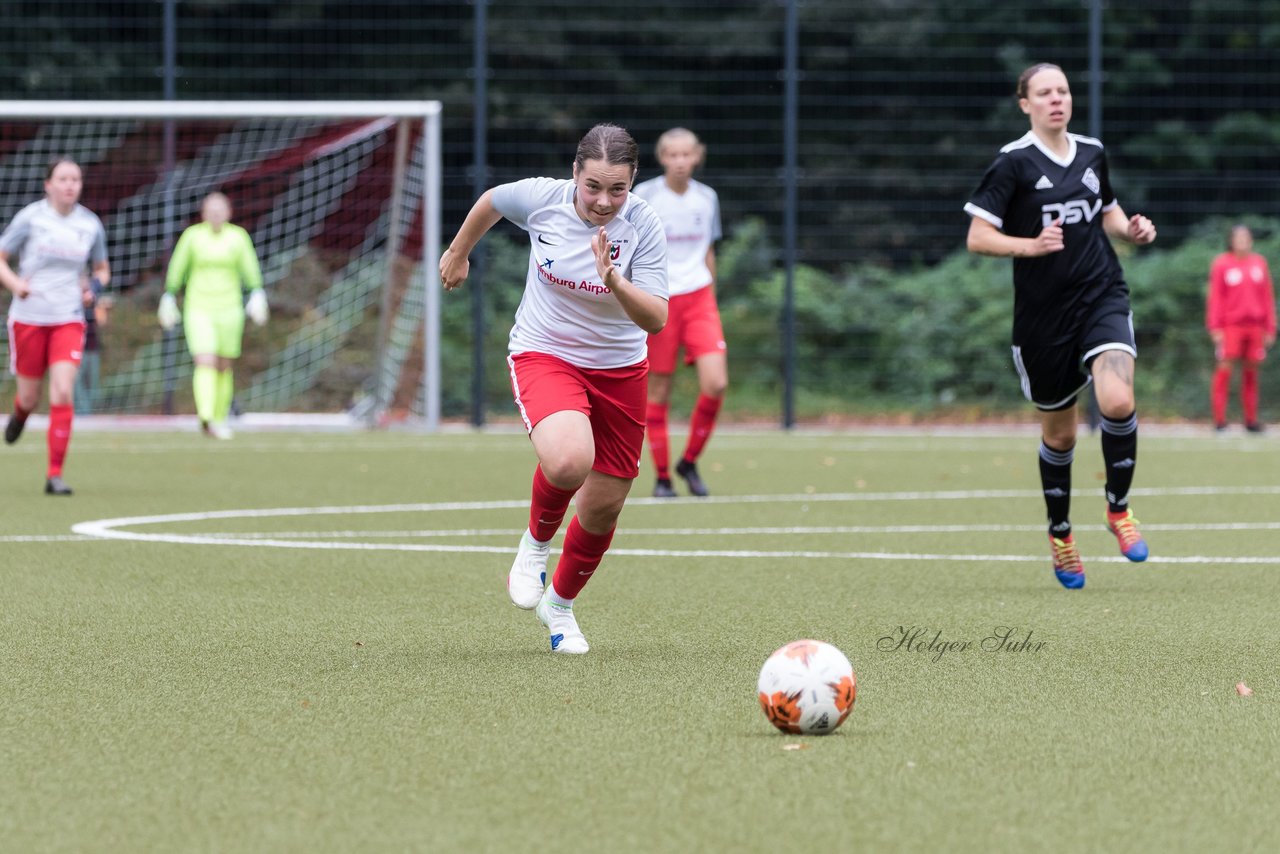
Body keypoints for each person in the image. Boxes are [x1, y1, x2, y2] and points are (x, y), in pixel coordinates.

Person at [439, 124, 668, 654]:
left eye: (618, 189)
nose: (604, 201)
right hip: (546, 353)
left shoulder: (645, 226)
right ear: (574, 174)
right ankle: (534, 547)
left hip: (620, 369)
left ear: (634, 182)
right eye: (593, 186)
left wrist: (616, 282)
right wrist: (458, 252)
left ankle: (560, 608)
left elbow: (655, 319)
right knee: (569, 461)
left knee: (604, 506)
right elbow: (491, 201)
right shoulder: (542, 199)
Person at [964, 63, 1157, 590]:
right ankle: (1062, 536)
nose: (1057, 99)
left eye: (1064, 91)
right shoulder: (1013, 164)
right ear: (1024, 103)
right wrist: (1030, 245)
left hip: (1101, 294)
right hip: (1042, 317)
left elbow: (1108, 212)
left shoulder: (1092, 152)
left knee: (1117, 399)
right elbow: (978, 237)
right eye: (1044, 92)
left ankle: (1118, 509)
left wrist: (1132, 230)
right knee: (1062, 433)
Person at [0, 157, 110, 495]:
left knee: (62, 390)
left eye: (75, 179)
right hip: (29, 318)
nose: (69, 185)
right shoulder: (31, 218)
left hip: (68, 318)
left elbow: (102, 269)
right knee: (30, 396)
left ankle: (54, 474)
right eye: (62, 179)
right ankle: (19, 414)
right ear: (48, 185)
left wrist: (94, 289)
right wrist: (16, 284)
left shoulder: (90, 225)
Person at [632, 128, 726, 498]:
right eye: (673, 154)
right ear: (662, 157)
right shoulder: (645, 197)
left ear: (698, 156)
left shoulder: (707, 198)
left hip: (700, 299)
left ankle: (689, 461)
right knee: (659, 389)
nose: (680, 161)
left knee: (716, 383)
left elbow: (708, 252)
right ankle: (663, 478)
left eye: (687, 154)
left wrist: (712, 300)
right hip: (661, 300)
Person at [159, 192, 267, 439]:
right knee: (204, 359)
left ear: (229, 212)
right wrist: (169, 294)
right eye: (212, 209)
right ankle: (205, 416)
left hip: (230, 309)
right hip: (199, 307)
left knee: (223, 363)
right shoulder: (193, 236)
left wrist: (257, 292)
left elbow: (249, 267)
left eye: (221, 209)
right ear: (204, 212)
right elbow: (178, 266)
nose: (216, 213)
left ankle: (219, 418)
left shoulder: (237, 237)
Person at [1207, 224, 1275, 432]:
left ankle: (1251, 420)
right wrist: (1215, 327)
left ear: (1251, 240)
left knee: (1251, 373)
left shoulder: (1259, 264)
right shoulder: (1222, 264)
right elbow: (1215, 298)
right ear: (1231, 241)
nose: (1243, 241)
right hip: (1230, 327)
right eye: (1239, 238)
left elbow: (1267, 297)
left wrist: (1270, 327)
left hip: (1255, 327)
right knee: (1225, 370)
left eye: (1246, 237)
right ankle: (1220, 421)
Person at [73, 286, 113, 415]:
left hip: (93, 349)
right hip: (78, 350)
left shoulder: (95, 306)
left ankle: (89, 412)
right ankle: (82, 411)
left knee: (92, 383)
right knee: (77, 382)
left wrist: (100, 307)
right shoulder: (75, 306)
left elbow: (102, 322)